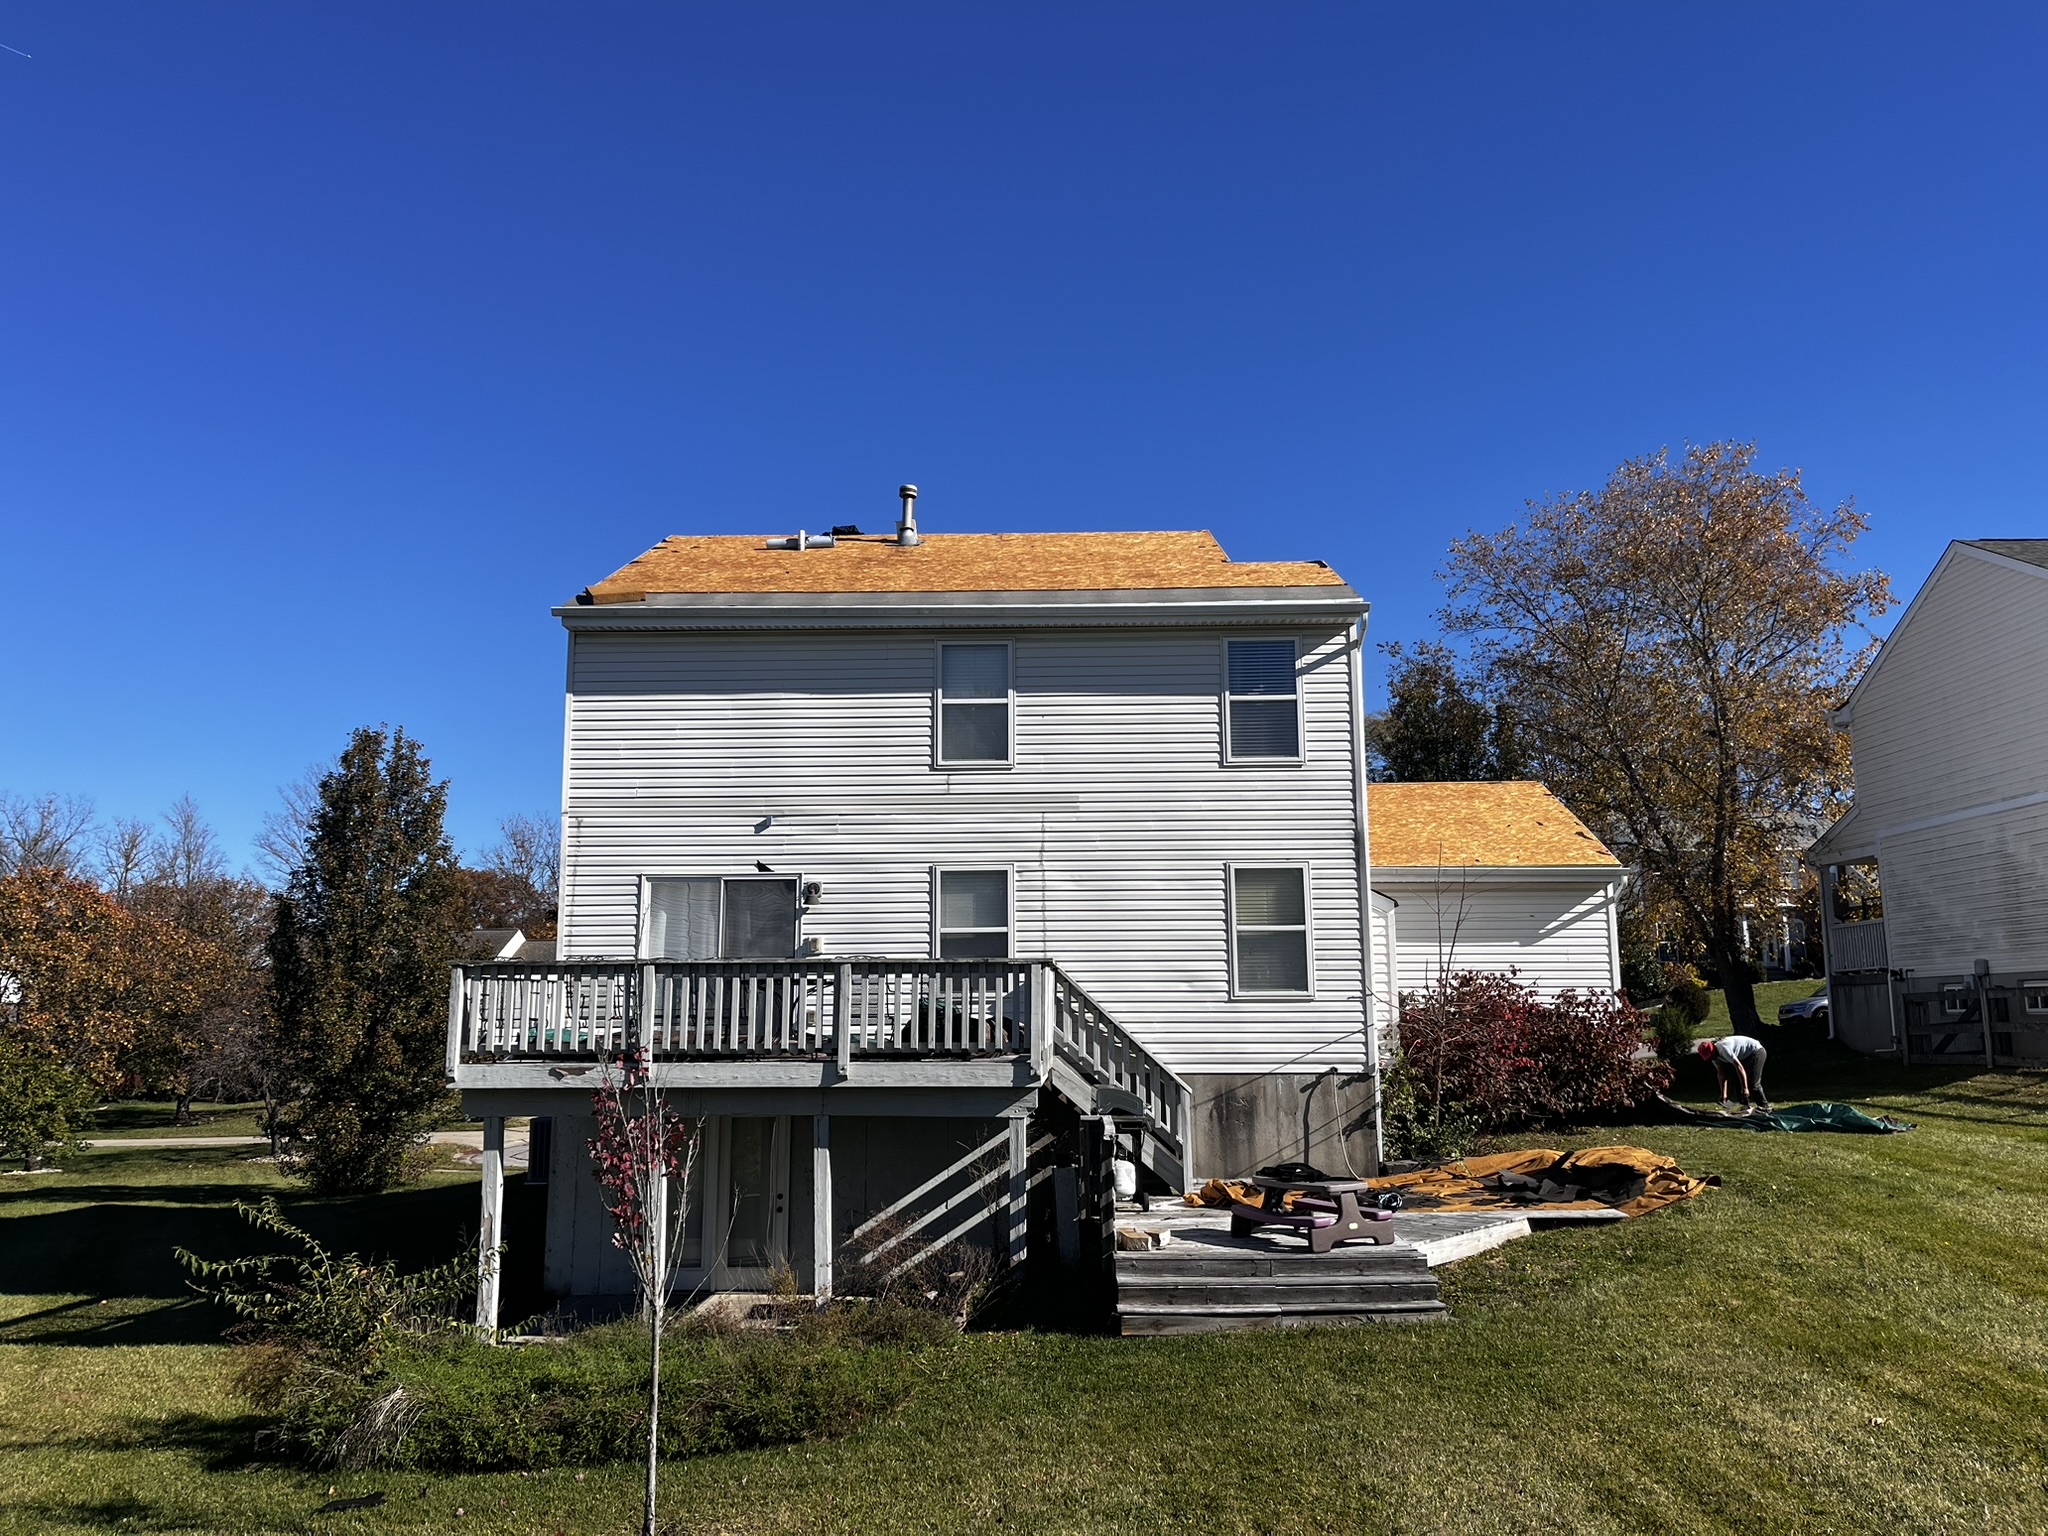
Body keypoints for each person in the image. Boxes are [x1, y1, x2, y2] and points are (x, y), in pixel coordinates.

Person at [1698, 1035, 1770, 1110]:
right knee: (1738, 1081)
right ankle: (1745, 1106)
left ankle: (1764, 1107)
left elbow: (1739, 1067)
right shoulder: (1714, 1057)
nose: (1711, 1058)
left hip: (1756, 1051)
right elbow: (1722, 1074)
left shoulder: (1724, 1049)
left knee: (1753, 1083)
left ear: (1713, 1050)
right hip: (1744, 1056)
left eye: (1711, 1056)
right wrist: (1724, 1094)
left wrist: (1745, 1088)